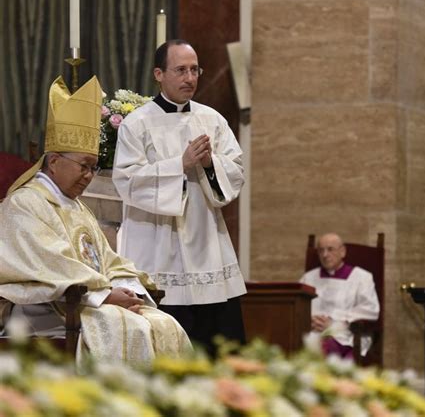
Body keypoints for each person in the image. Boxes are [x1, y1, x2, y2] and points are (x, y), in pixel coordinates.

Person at [0, 75, 191, 367]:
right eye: (84, 166)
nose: (89, 176)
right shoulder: (27, 203)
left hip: (84, 301)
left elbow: (106, 259)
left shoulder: (76, 207)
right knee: (135, 329)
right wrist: (104, 294)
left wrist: (130, 287)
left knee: (164, 324)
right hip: (42, 309)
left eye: (94, 167)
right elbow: (50, 264)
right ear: (53, 162)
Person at [112, 39, 247, 354]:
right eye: (181, 70)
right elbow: (127, 181)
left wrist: (210, 163)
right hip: (159, 248)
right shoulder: (137, 123)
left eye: (195, 70)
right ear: (159, 74)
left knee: (219, 351)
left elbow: (237, 170)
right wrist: (180, 165)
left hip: (208, 246)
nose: (190, 78)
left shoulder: (212, 120)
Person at [299, 233, 379, 358]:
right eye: (321, 250)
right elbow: (298, 306)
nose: (325, 255)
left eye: (330, 249)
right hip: (313, 333)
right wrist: (309, 320)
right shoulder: (308, 278)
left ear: (342, 252)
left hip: (348, 335)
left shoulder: (361, 277)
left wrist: (334, 322)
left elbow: (371, 310)